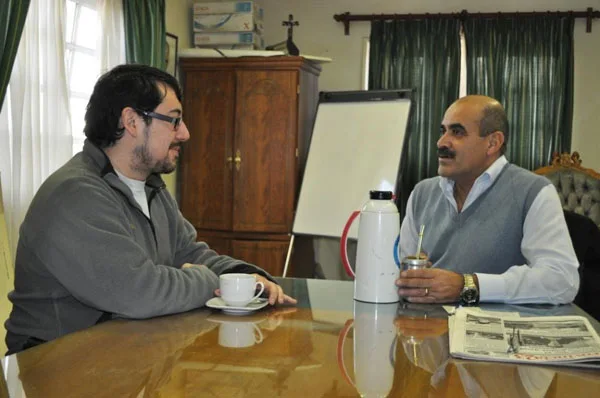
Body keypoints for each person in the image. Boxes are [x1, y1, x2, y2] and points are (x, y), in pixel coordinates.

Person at [5, 64, 296, 355]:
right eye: (174, 121)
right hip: (53, 365)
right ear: (131, 122)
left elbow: (188, 254)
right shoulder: (76, 194)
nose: (185, 133)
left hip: (121, 355)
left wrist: (243, 277)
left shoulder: (150, 188)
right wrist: (211, 281)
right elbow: (139, 292)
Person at [396, 95, 579, 305]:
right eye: (443, 131)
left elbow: (562, 280)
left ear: (493, 143)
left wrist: (469, 286)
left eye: (457, 132)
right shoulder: (422, 193)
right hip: (425, 328)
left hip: (499, 333)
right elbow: (402, 267)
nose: (441, 142)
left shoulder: (534, 191)